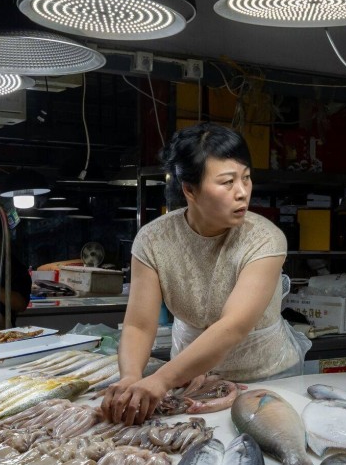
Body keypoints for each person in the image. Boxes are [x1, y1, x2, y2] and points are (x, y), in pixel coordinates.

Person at [100, 122, 309, 425]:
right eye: (227, 182)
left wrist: (160, 380)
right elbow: (139, 324)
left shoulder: (264, 238)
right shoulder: (153, 239)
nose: (242, 193)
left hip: (266, 378)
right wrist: (132, 377)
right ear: (189, 189)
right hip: (189, 378)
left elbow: (233, 326)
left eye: (246, 179)